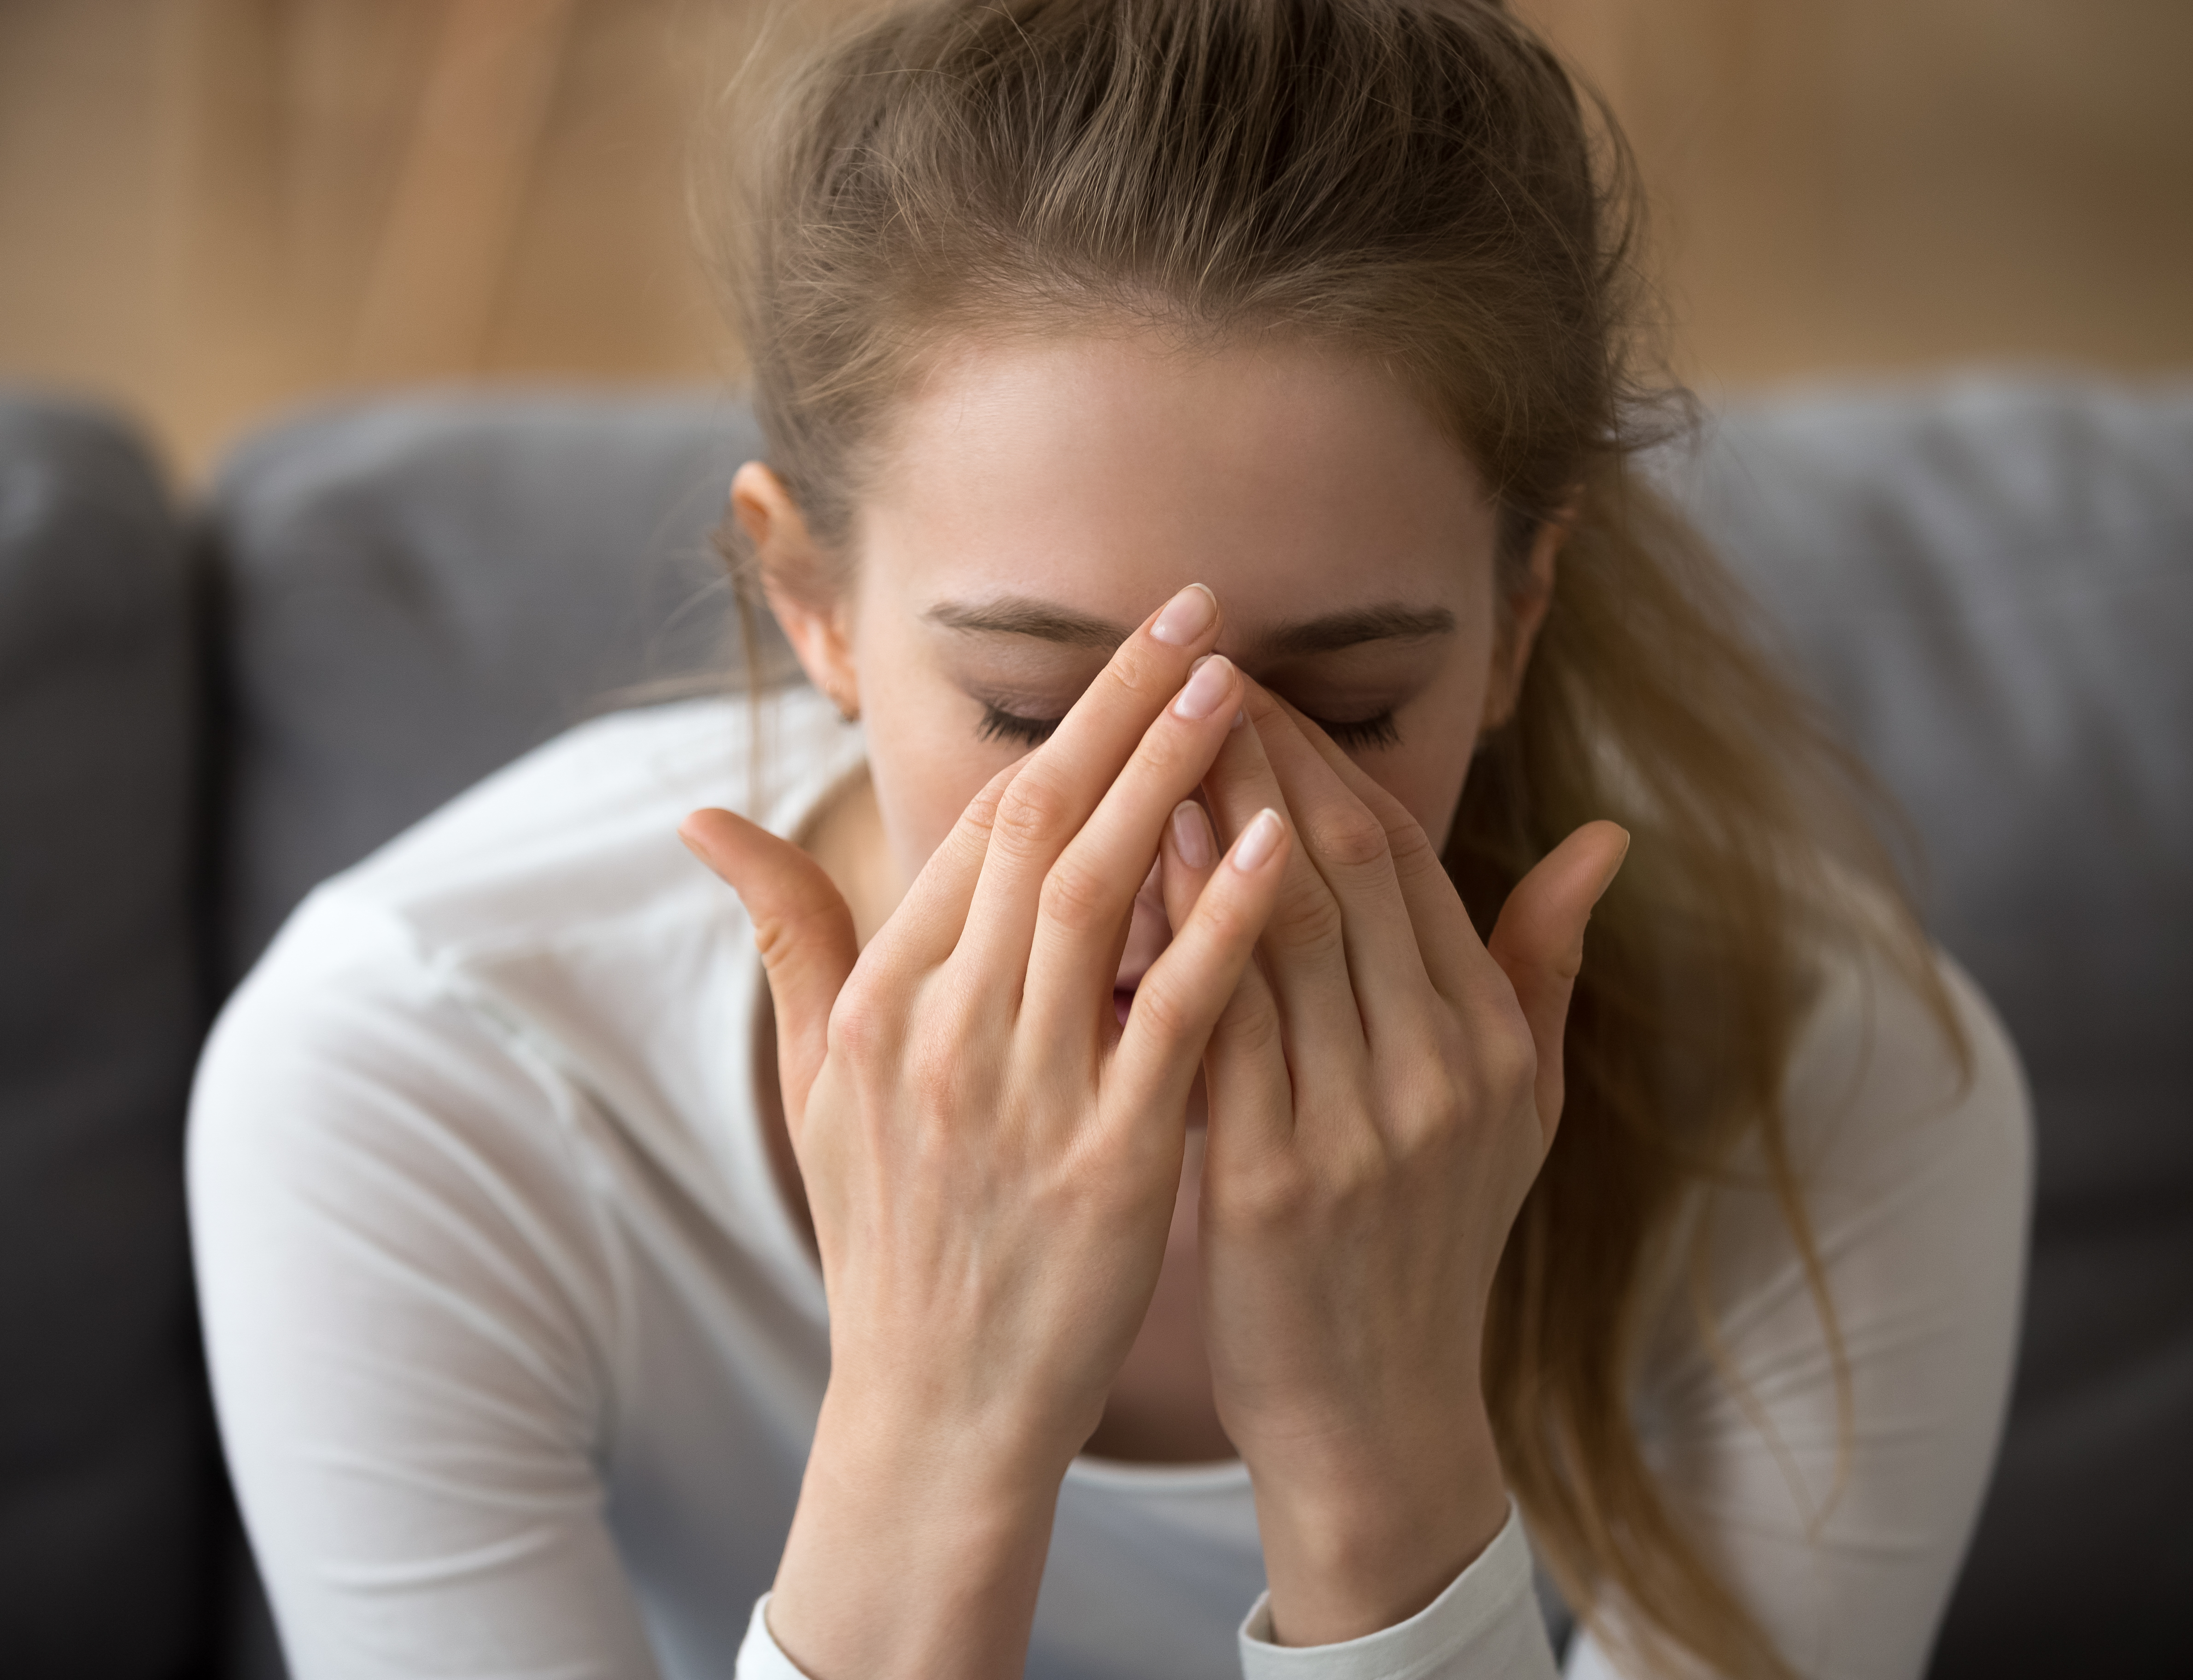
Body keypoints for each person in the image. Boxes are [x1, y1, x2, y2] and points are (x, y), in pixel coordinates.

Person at [189, 2, 2032, 1677]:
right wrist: (937, 1419)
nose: (1197, 853)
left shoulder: (1837, 1088)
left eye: (1346, 707)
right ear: (810, 598)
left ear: (1519, 620)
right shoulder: (420, 1082)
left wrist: (1374, 1461)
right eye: (1032, 711)